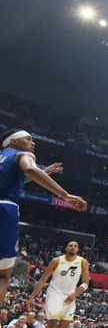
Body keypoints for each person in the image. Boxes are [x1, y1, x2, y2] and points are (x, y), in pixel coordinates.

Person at [0, 129, 86, 303]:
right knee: (2, 276)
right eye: (28, 138)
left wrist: (45, 172)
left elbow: (18, 179)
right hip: (5, 209)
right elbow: (30, 170)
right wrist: (65, 195)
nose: (33, 143)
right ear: (14, 142)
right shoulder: (23, 154)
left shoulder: (3, 156)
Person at [26, 241, 91, 328]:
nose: (73, 247)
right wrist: (32, 297)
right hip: (54, 294)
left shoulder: (83, 262)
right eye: (70, 245)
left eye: (75, 246)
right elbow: (43, 279)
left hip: (71, 296)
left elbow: (85, 283)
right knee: (52, 323)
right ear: (66, 248)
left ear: (78, 249)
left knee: (63, 326)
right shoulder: (56, 261)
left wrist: (75, 294)